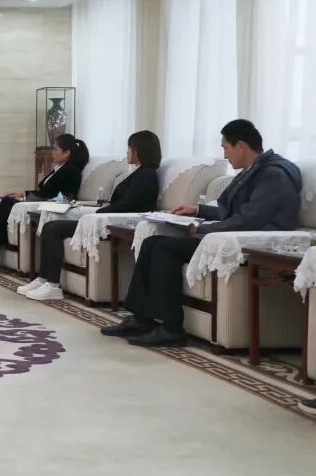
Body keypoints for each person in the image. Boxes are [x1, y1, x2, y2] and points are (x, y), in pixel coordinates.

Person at [102, 119, 302, 347]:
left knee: (164, 248)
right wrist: (197, 210)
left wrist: (200, 228)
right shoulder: (253, 171)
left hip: (247, 242)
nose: (224, 155)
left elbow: (248, 220)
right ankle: (141, 319)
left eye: (226, 148)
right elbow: (232, 212)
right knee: (151, 243)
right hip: (229, 235)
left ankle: (171, 328)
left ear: (241, 146)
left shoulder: (273, 175)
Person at [19, 131, 162, 301]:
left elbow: (128, 205)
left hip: (117, 223)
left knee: (54, 229)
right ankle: (43, 279)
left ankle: (53, 285)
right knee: (50, 226)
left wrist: (100, 212)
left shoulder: (147, 176)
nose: (127, 151)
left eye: (130, 148)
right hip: (108, 217)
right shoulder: (139, 173)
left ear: (140, 151)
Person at [0, 134, 90, 273]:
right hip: (42, 200)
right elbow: (45, 190)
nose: (52, 152)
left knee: (8, 202)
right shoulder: (59, 168)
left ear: (67, 153)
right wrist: (24, 194)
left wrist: (27, 196)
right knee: (6, 201)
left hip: (52, 204)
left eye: (56, 150)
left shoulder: (71, 170)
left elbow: (60, 195)